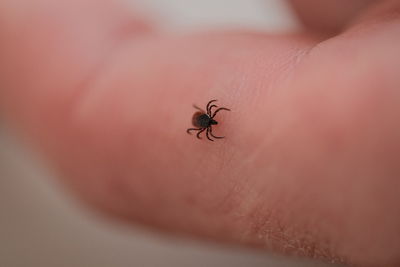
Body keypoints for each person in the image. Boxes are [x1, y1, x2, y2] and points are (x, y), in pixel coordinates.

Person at [0, 0, 399, 266]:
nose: (210, 122)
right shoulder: (205, 120)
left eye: (210, 121)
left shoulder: (203, 116)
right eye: (210, 122)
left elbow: (202, 115)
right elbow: (203, 120)